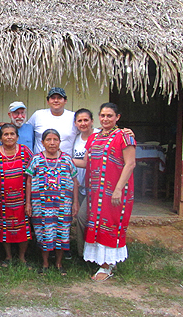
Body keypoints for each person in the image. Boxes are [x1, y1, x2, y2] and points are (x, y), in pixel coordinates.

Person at [74, 103, 136, 281]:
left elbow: (130, 164)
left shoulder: (124, 136)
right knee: (91, 221)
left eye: (110, 116)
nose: (106, 119)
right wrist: (60, 157)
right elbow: (85, 162)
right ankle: (100, 259)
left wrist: (117, 189)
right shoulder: (94, 138)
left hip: (115, 192)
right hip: (95, 193)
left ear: (117, 117)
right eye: (103, 115)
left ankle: (107, 266)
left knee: (110, 225)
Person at [25, 129, 79, 276]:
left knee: (62, 232)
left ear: (60, 142)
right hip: (40, 205)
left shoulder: (67, 159)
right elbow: (29, 182)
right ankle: (45, 263)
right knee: (43, 232)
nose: (52, 143)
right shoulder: (36, 159)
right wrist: (28, 203)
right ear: (42, 143)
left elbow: (75, 181)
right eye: (48, 139)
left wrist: (75, 203)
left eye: (55, 139)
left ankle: (59, 263)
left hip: (63, 205)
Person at [0, 123, 33, 268]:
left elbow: (33, 173)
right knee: (4, 227)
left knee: (23, 227)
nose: (9, 137)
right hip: (2, 200)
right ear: (0, 138)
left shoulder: (25, 151)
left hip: (21, 199)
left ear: (17, 137)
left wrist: (29, 201)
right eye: (5, 134)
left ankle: (22, 257)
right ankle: (7, 256)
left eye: (12, 134)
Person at [72, 108, 100, 257]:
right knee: (81, 220)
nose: (83, 123)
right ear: (75, 123)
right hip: (81, 186)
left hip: (95, 187)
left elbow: (88, 162)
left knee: (84, 219)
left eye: (86, 120)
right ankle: (84, 254)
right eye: (79, 120)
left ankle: (91, 254)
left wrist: (64, 160)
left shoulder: (98, 136)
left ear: (92, 121)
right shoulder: (76, 138)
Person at [26, 87, 77, 156]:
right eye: (53, 98)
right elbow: (25, 130)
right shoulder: (38, 115)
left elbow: (85, 131)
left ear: (65, 101)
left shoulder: (73, 117)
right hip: (40, 163)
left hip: (64, 164)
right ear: (48, 101)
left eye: (59, 98)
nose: (56, 100)